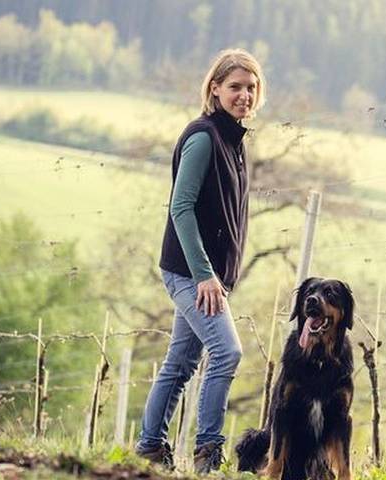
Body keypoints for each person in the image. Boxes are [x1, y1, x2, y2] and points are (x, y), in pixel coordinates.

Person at [135, 48, 266, 475]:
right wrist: (205, 275)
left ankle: (151, 448)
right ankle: (209, 453)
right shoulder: (202, 137)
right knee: (227, 353)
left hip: (211, 277)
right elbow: (181, 208)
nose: (244, 95)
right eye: (235, 87)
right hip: (190, 272)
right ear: (214, 89)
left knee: (181, 362)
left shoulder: (234, 141)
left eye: (250, 87)